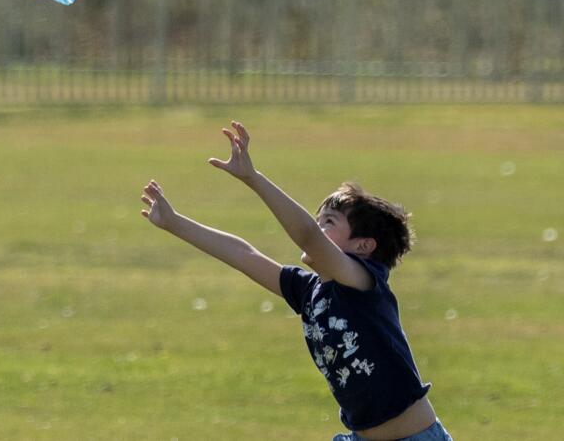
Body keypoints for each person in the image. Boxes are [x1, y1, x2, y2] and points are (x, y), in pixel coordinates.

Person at [140, 121, 450, 441]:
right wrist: (175, 223)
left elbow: (307, 235)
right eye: (319, 220)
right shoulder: (310, 292)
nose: (317, 227)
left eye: (328, 222)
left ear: (363, 246)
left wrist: (253, 178)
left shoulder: (362, 283)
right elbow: (243, 254)